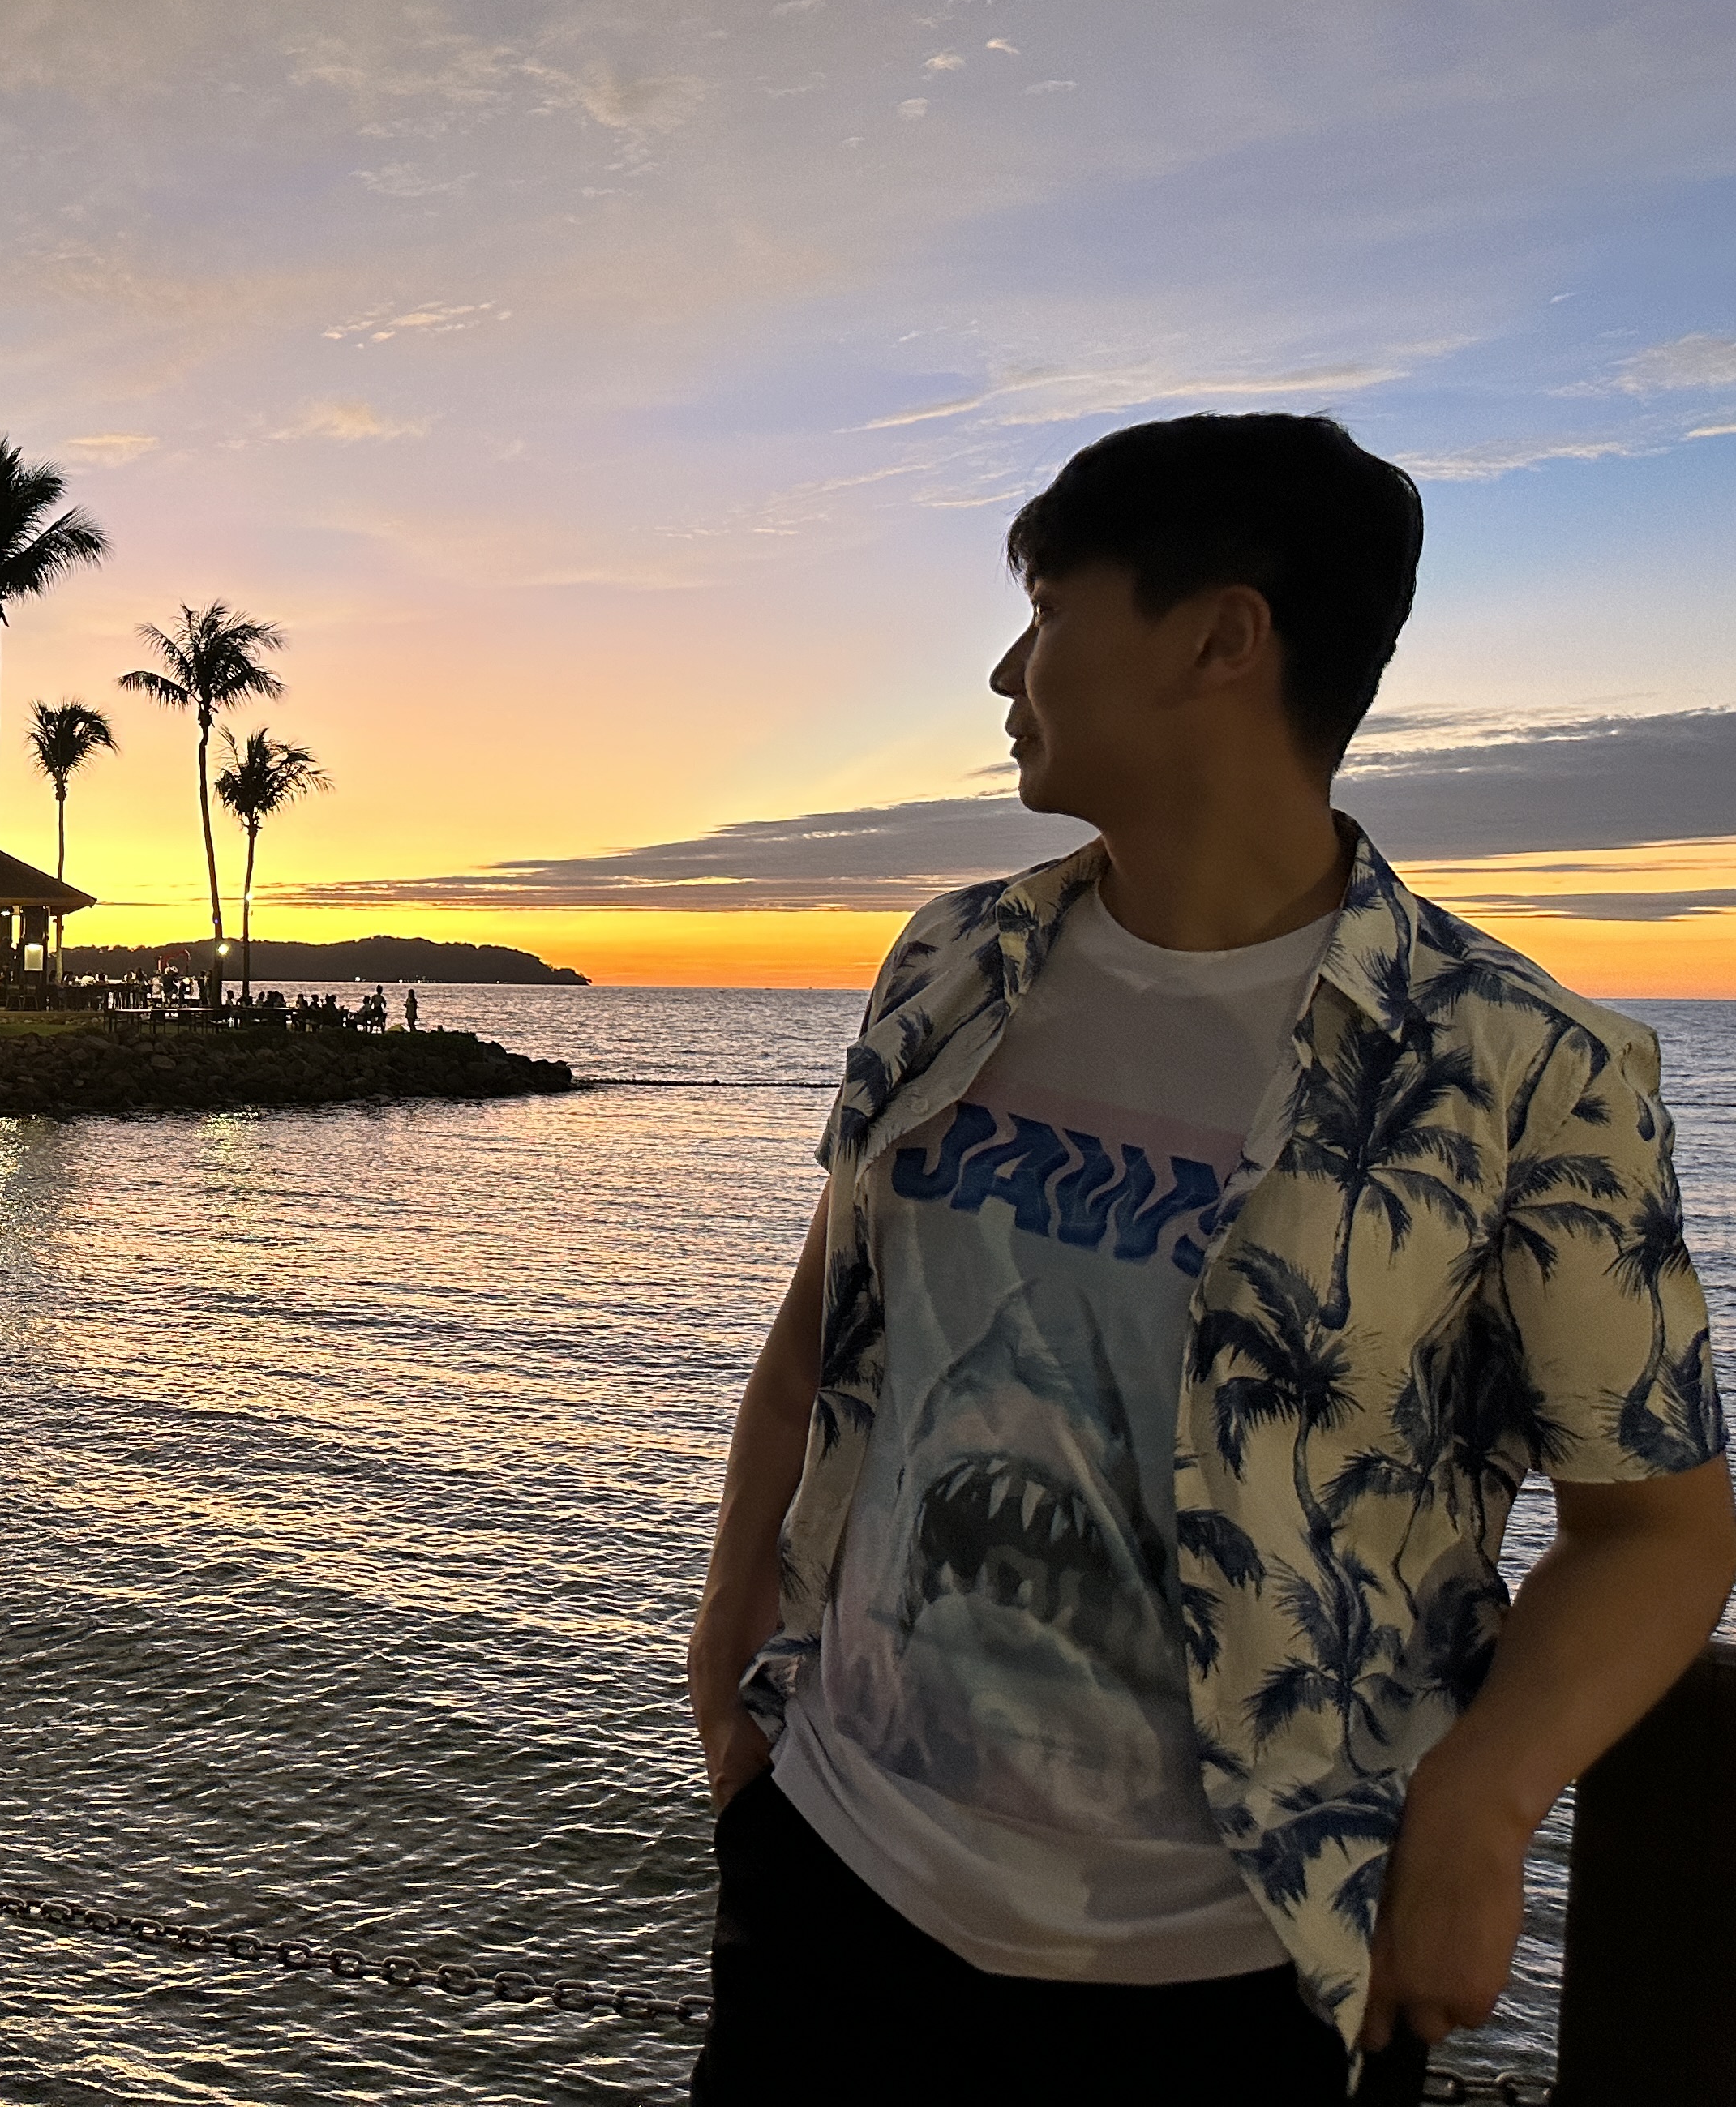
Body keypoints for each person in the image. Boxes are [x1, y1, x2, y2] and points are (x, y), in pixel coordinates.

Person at [686, 415, 1735, 2106]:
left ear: (1220, 637)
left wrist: (1483, 1805)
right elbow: (820, 1333)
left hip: (1241, 1967)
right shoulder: (952, 961)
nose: (1006, 670)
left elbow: (1660, 1527)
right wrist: (728, 1658)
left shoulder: (1519, 1067)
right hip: (839, 1875)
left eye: (1048, 611)